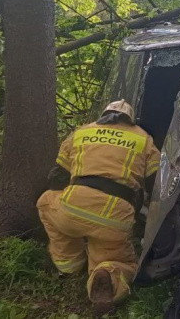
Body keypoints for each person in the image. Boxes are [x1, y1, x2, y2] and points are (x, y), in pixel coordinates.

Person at [36, 100, 160, 317]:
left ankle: (70, 265)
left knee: (46, 201)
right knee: (118, 260)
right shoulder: (144, 139)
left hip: (74, 208)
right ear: (131, 119)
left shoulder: (82, 132)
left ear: (104, 114)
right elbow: (156, 184)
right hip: (115, 218)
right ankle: (107, 275)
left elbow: (57, 177)